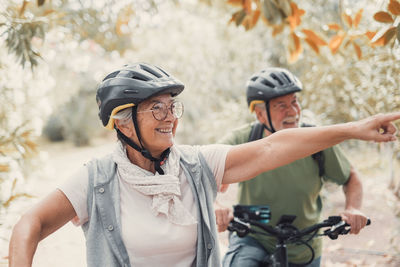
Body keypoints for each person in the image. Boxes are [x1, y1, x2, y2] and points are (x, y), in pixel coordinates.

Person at [8, 63, 400, 267]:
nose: (170, 117)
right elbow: (31, 224)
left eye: (172, 106)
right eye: (155, 107)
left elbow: (272, 148)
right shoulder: (95, 180)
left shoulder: (196, 165)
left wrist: (353, 129)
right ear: (123, 121)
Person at [215, 67, 370, 267]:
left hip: (305, 244)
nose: (293, 112)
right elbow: (204, 171)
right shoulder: (243, 139)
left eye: (294, 102)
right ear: (260, 115)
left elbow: (351, 178)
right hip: (254, 237)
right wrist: (216, 204)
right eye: (281, 105)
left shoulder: (317, 142)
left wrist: (353, 208)